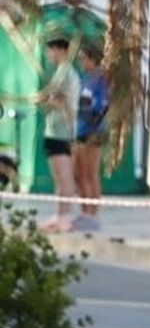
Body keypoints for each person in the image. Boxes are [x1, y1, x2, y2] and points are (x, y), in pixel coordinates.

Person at [37, 39, 80, 233]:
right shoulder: (61, 72)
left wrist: (43, 99)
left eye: (50, 50)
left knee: (64, 178)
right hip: (56, 131)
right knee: (60, 178)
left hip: (61, 133)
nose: (49, 55)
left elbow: (58, 99)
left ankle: (65, 217)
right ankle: (60, 215)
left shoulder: (66, 73)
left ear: (60, 50)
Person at [71, 45, 109, 232]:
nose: (81, 62)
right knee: (78, 174)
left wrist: (92, 124)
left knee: (89, 174)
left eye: (83, 58)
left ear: (93, 59)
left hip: (92, 132)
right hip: (80, 130)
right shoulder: (85, 78)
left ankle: (92, 215)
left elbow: (102, 105)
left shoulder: (99, 79)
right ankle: (84, 211)